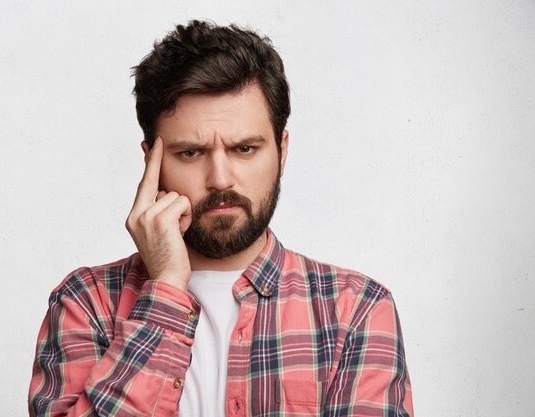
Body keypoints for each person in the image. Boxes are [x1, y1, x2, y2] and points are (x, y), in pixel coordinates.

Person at [28, 20, 414, 417]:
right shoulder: (86, 302)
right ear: (152, 162)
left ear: (282, 152)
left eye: (245, 149)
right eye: (191, 153)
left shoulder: (355, 310)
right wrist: (165, 292)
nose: (220, 179)